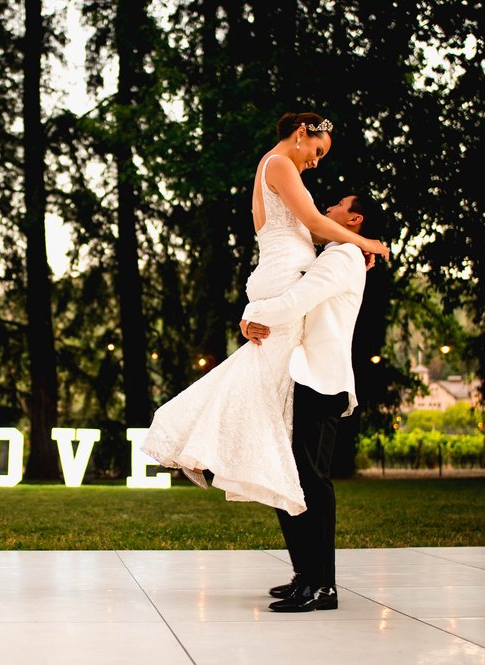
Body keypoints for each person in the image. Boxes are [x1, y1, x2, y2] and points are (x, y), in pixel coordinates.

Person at [139, 112, 388, 516]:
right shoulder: (279, 164)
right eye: (317, 151)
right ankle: (219, 444)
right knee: (265, 392)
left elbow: (318, 230)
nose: (316, 161)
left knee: (261, 384)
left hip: (277, 276)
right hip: (282, 277)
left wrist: (356, 251)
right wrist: (368, 243)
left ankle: (227, 445)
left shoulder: (278, 169)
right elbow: (312, 222)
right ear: (302, 133)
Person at [240, 192, 384, 612]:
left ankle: (323, 586)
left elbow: (298, 300)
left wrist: (253, 315)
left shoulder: (343, 258)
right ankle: (306, 575)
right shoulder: (345, 253)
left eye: (338, 205)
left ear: (354, 218)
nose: (328, 208)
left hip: (323, 380)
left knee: (312, 483)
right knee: (294, 477)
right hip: (307, 377)